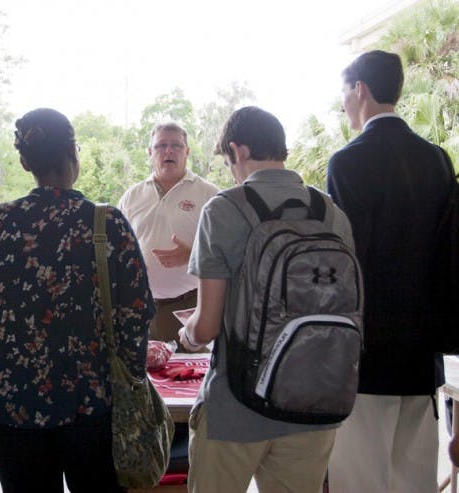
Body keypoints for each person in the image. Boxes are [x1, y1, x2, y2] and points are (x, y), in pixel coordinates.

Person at [0, 108, 154, 493]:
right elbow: (136, 316)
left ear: (24, 161)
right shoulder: (106, 224)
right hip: (90, 402)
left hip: (10, 401)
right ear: (74, 154)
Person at [179, 106, 352, 493]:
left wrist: (186, 335)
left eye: (228, 162)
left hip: (236, 406)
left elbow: (207, 327)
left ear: (238, 151)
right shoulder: (332, 213)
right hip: (316, 405)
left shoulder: (223, 209)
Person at [325, 50, 454, 493]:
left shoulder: (347, 161)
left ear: (359, 89)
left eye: (344, 91)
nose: (343, 102)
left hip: (366, 353)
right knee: (414, 480)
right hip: (422, 355)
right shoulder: (437, 160)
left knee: (359, 480)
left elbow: (345, 262)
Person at [118, 122, 218, 350]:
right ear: (150, 152)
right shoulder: (131, 197)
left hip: (191, 310)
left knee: (190, 382)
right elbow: (118, 252)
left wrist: (192, 256)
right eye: (161, 145)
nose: (169, 151)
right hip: (141, 308)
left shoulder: (210, 195)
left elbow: (229, 256)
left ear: (187, 152)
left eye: (176, 145)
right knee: (143, 382)